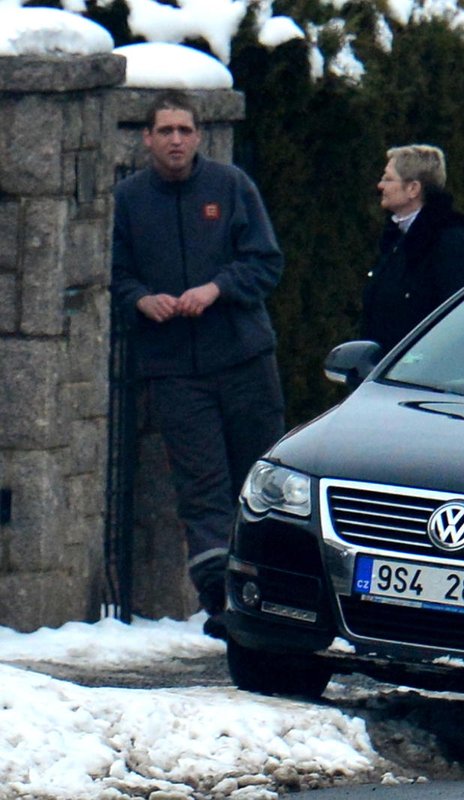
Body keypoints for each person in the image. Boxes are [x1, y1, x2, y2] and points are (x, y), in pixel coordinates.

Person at [111, 91, 286, 639]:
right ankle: (221, 604)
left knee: (259, 479)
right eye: (165, 130)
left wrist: (217, 288)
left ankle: (274, 595)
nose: (176, 140)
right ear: (147, 138)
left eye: (184, 129)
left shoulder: (231, 186)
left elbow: (265, 262)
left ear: (199, 135)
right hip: (172, 368)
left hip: (242, 359)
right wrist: (141, 299)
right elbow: (113, 274)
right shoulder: (128, 199)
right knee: (201, 489)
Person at [361, 144, 464, 352]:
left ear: (413, 189)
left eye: (388, 179)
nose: (381, 185)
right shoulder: (396, 238)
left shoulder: (448, 242)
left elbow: (458, 319)